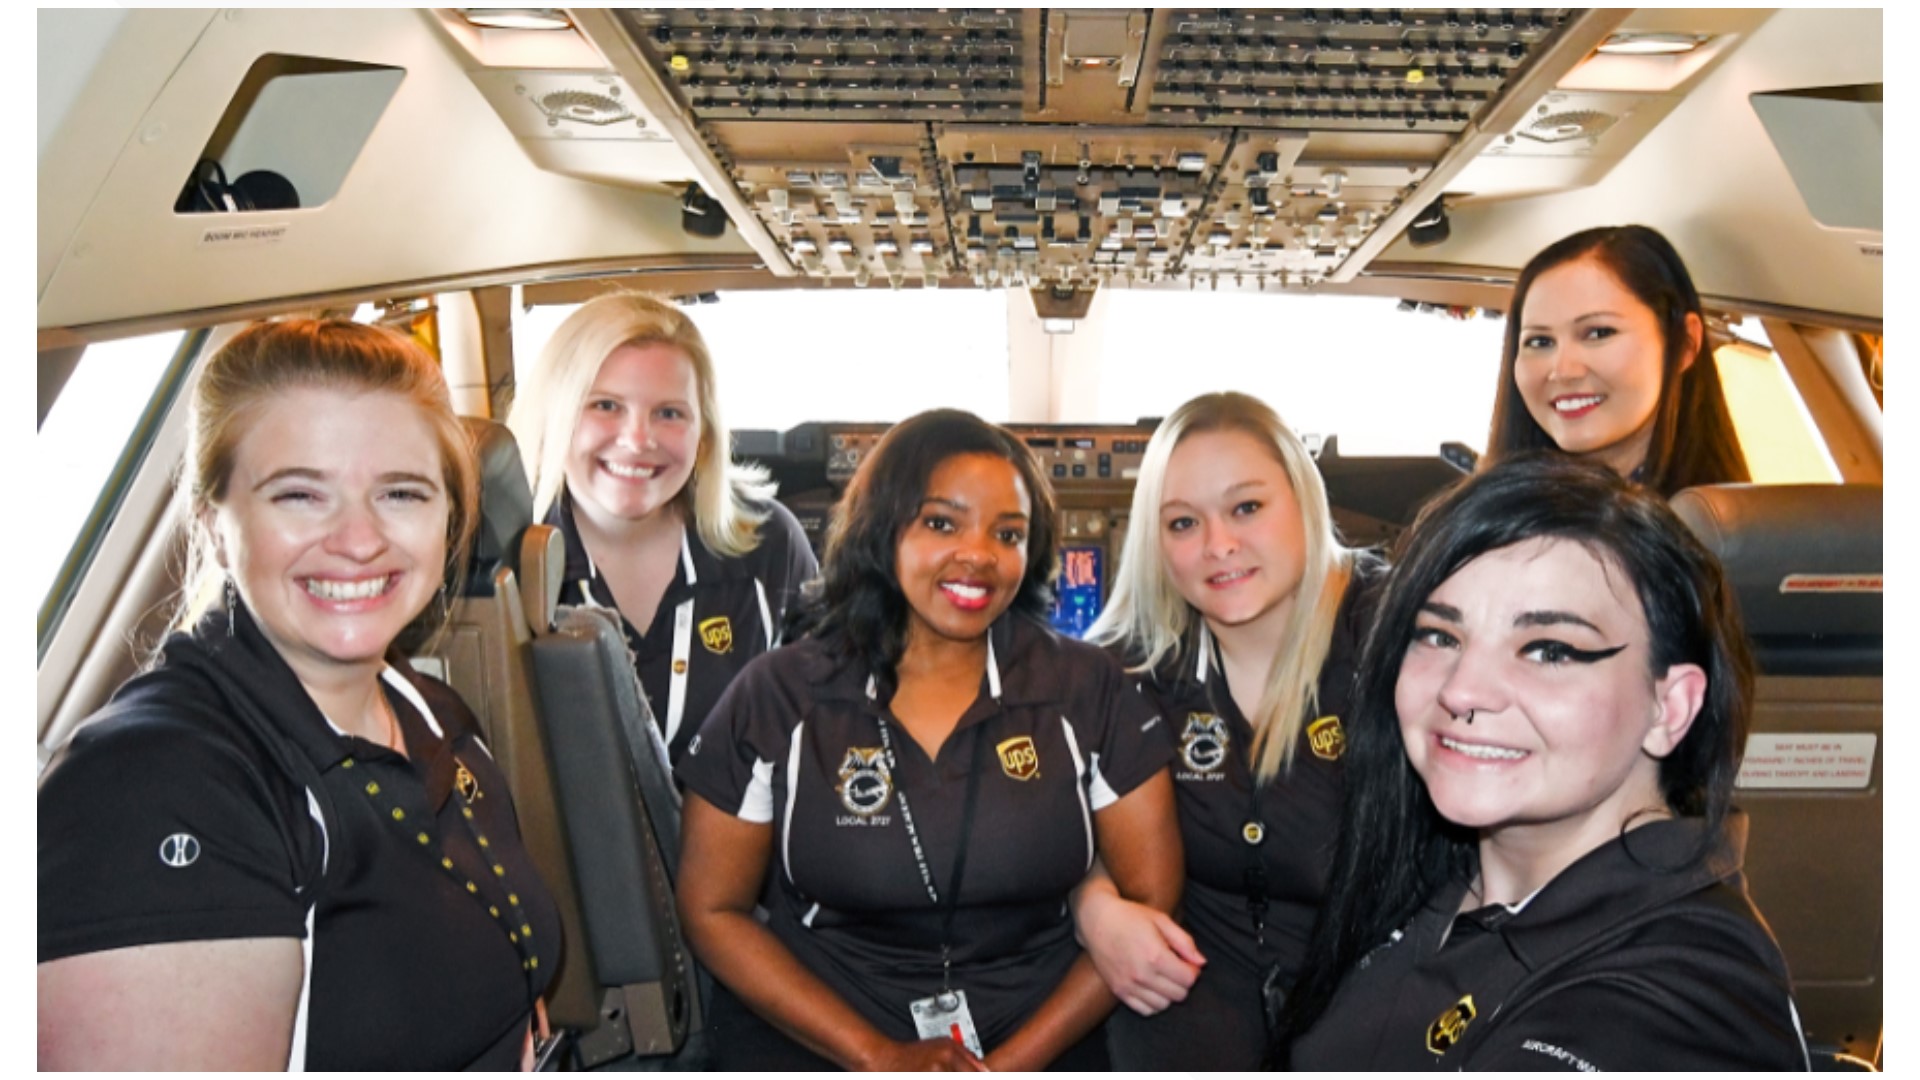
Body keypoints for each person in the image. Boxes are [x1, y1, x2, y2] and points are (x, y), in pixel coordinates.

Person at [39, 319, 562, 1069]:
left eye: (401, 494)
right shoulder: (155, 788)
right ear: (215, 525)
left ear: (448, 518)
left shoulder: (423, 708)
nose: (359, 539)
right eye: (300, 496)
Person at [675, 408, 1183, 1071]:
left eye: (1008, 533)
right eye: (941, 523)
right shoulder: (779, 695)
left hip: (1037, 1028)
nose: (977, 555)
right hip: (827, 1028)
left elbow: (1151, 897)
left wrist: (1009, 1066)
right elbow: (713, 909)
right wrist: (876, 1056)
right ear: (883, 530)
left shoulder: (1089, 689)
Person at [1275, 454, 1807, 1070]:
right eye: (1439, 635)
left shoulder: (1681, 1001)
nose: (1463, 691)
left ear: (1669, 707)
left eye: (1550, 650)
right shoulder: (1436, 878)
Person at [1069, 391, 1380, 1069]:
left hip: (1373, 983)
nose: (1219, 546)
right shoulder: (1125, 666)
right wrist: (1093, 907)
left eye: (1246, 507)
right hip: (1196, 984)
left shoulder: (1394, 634)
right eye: (1183, 523)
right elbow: (1047, 821)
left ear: (1303, 499)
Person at [507, 292, 817, 763]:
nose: (637, 440)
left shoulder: (770, 543)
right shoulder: (499, 563)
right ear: (555, 415)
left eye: (669, 413)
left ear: (705, 434)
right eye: (606, 405)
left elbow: (831, 717)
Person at [1482, 225, 1751, 495]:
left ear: (1684, 344)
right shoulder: (1488, 518)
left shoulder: (1728, 531)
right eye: (1540, 341)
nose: (1563, 371)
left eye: (1599, 333)